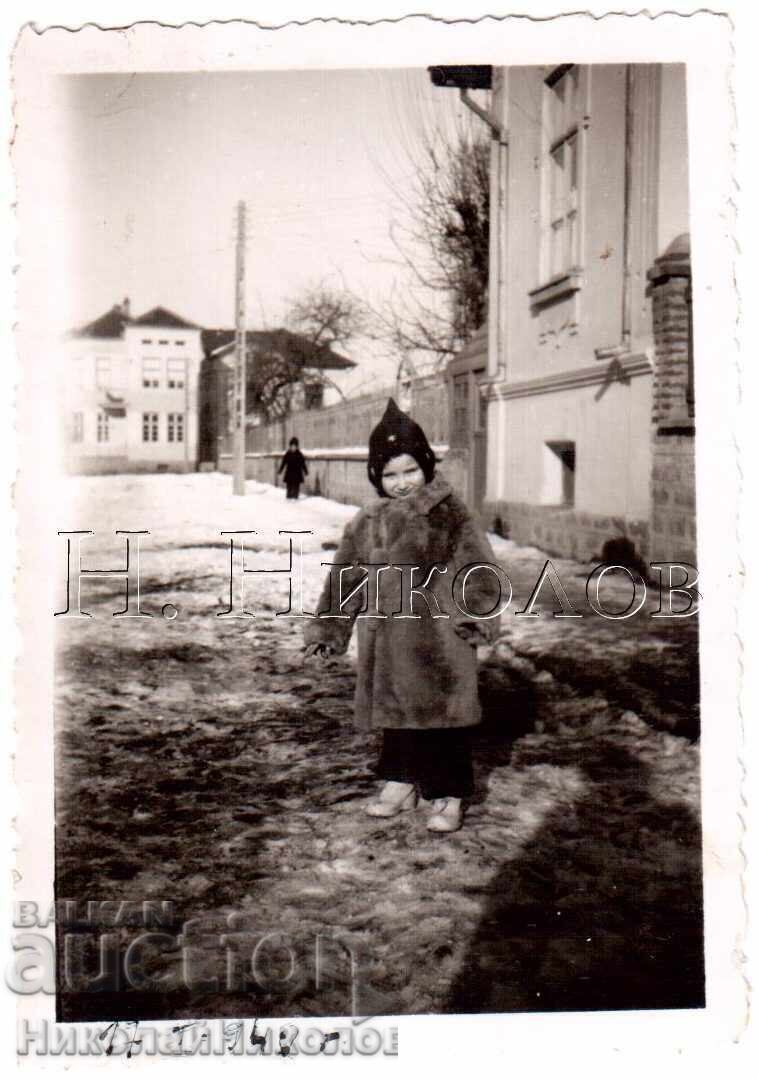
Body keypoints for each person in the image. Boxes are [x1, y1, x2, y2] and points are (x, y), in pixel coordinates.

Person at [303, 399, 501, 833]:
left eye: (410, 471)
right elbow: (346, 578)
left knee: (443, 720)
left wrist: (473, 614)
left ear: (427, 466)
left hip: (439, 638)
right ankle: (400, 780)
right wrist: (330, 628)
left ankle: (448, 793)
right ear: (377, 478)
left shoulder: (450, 513)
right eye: (390, 475)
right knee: (395, 716)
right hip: (387, 639)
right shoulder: (368, 520)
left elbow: (481, 570)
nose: (402, 483)